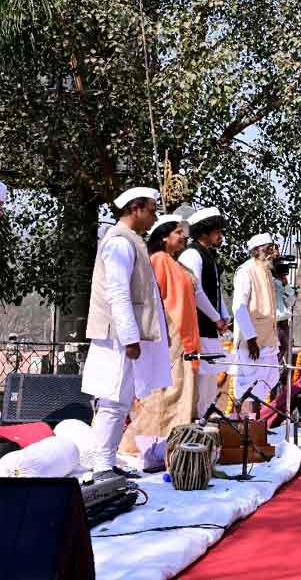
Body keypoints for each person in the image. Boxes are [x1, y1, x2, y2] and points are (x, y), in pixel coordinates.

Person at [82, 187, 171, 479]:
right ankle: (102, 467)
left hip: (124, 336)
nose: (154, 217)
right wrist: (130, 338)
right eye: (152, 210)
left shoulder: (131, 241)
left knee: (120, 400)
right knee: (112, 399)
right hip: (117, 336)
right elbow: (118, 294)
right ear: (136, 208)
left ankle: (108, 461)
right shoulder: (120, 243)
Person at [121, 215, 201, 454]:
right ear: (164, 237)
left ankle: (172, 445)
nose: (183, 236)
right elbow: (151, 302)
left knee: (180, 393)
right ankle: (141, 444)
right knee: (164, 393)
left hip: (183, 336)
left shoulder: (174, 262)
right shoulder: (157, 260)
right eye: (178, 232)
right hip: (168, 334)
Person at [178, 207, 230, 417]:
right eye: (217, 231)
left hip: (209, 327)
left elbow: (214, 289)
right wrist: (216, 318)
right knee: (199, 377)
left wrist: (223, 315)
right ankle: (196, 418)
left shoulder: (209, 255)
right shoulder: (192, 255)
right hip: (196, 327)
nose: (221, 236)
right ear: (205, 232)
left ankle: (204, 416)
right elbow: (196, 291)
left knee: (209, 376)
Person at [231, 233, 281, 415]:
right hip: (251, 340)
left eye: (273, 247)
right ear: (256, 251)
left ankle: (256, 423)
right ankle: (244, 421)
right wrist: (251, 338)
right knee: (250, 382)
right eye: (268, 248)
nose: (273, 252)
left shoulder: (266, 270)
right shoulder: (246, 271)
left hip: (268, 338)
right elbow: (239, 307)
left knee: (269, 377)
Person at [273, 261, 296, 362]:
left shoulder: (284, 285)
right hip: (277, 321)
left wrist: (286, 286)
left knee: (282, 348)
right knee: (279, 348)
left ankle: (277, 370)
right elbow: (290, 301)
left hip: (282, 321)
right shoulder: (273, 284)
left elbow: (290, 301)